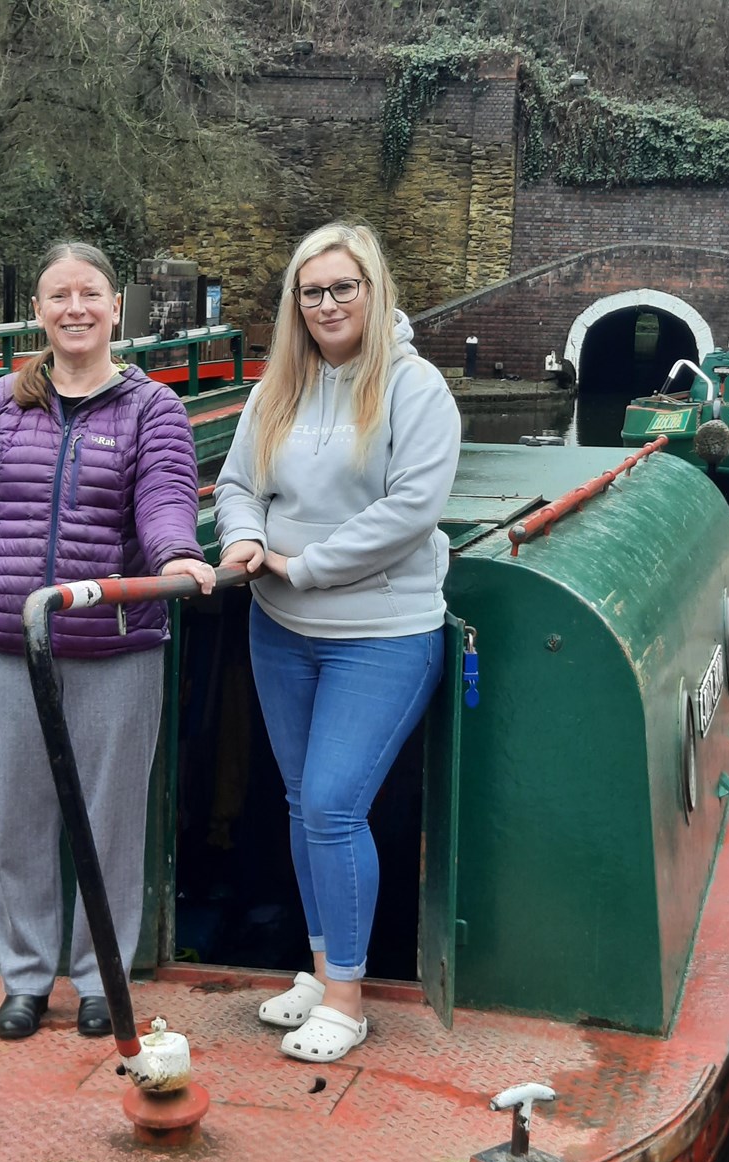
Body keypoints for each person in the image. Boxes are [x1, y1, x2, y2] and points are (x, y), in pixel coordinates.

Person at [0, 240, 215, 1041]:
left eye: (89, 293)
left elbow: (163, 498)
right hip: (15, 649)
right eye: (59, 296)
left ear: (116, 305)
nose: (75, 309)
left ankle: (99, 976)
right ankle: (24, 978)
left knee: (110, 824)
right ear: (40, 310)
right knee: (17, 821)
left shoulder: (151, 408)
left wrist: (177, 554)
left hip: (118, 649)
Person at [214, 221, 461, 1064]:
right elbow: (238, 483)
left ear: (373, 290)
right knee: (300, 803)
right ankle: (321, 971)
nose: (326, 304)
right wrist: (243, 540)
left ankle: (348, 1000)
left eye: (341, 288)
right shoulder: (277, 385)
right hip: (279, 627)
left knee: (332, 803)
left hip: (381, 632)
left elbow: (409, 512)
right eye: (310, 291)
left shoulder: (416, 388)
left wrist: (302, 564)